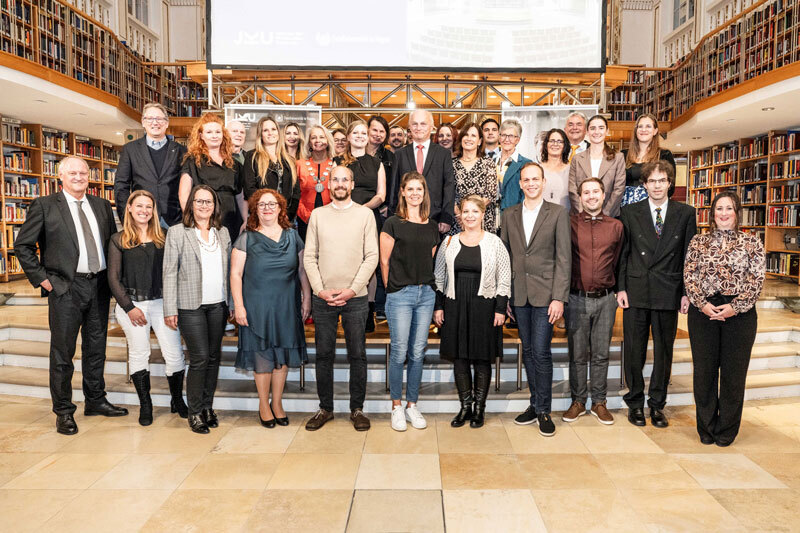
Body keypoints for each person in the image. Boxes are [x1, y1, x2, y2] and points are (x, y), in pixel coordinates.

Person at [15, 156, 128, 435]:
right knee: (63, 353)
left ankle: (96, 400)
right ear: (60, 176)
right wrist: (43, 279)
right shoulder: (44, 205)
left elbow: (112, 245)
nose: (78, 177)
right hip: (65, 287)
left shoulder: (102, 205)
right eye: (72, 173)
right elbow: (23, 246)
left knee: (96, 349)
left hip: (99, 286)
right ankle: (64, 410)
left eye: (83, 172)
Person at [617, 160, 696, 428]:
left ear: (670, 183)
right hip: (637, 288)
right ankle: (636, 402)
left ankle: (657, 405)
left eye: (662, 180)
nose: (657, 185)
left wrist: (686, 292)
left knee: (664, 351)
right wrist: (621, 288)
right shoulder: (629, 212)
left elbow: (689, 256)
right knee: (634, 351)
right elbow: (623, 255)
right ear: (645, 184)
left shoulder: (685, 213)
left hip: (668, 289)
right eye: (652, 181)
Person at [684, 191, 764, 446]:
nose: (724, 213)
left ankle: (726, 430)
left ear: (737, 212)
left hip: (739, 316)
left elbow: (756, 280)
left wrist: (735, 306)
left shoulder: (752, 243)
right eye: (719, 208)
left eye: (729, 208)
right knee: (704, 373)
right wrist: (703, 304)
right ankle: (706, 428)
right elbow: (689, 276)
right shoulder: (698, 241)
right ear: (712, 213)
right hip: (703, 313)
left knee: (733, 375)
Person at [303, 165, 378, 432]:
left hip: (355, 298)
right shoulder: (318, 215)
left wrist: (352, 289)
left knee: (357, 355)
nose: (340, 183)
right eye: (335, 179)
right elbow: (309, 256)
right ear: (329, 183)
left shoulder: (365, 215)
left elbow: (372, 257)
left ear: (352, 184)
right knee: (324, 355)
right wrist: (320, 290)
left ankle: (357, 409)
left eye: (345, 179)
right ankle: (325, 408)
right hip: (323, 298)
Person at [231, 189, 311, 428]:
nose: (267, 208)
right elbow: (235, 274)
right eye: (262, 205)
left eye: (272, 204)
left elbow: (302, 271)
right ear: (255, 209)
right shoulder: (247, 237)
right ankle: (263, 405)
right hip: (257, 305)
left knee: (283, 356)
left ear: (280, 208)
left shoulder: (293, 236)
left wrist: (306, 297)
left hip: (286, 304)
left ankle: (277, 403)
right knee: (262, 356)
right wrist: (239, 306)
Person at [501, 162, 570, 437]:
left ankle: (544, 410)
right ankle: (534, 403)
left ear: (543, 183)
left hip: (546, 296)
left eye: (535, 179)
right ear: (520, 184)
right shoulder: (509, 214)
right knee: (527, 351)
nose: (530, 184)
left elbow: (564, 258)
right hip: (519, 294)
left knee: (541, 352)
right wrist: (505, 295)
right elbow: (504, 257)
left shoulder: (558, 213)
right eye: (526, 180)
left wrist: (559, 298)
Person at [109, 190, 186, 426]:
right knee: (139, 352)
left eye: (148, 207)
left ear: (154, 210)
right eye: (139, 206)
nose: (144, 211)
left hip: (163, 303)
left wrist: (173, 305)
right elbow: (113, 277)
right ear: (129, 208)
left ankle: (177, 400)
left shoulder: (165, 236)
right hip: (131, 304)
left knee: (174, 354)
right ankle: (146, 404)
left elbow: (175, 272)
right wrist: (129, 307)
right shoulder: (118, 239)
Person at [435, 195, 511, 428]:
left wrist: (500, 308)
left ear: (482, 214)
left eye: (474, 212)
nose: (469, 216)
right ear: (460, 215)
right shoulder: (449, 242)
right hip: (455, 304)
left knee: (481, 357)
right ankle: (465, 407)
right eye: (465, 211)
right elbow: (439, 276)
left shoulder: (494, 242)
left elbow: (504, 277)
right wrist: (439, 306)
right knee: (459, 357)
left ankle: (479, 409)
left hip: (484, 305)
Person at [164, 185, 232, 434]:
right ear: (191, 205)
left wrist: (231, 304)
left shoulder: (222, 233)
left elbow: (229, 272)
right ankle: (194, 411)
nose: (204, 206)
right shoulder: (177, 232)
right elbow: (169, 272)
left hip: (218, 305)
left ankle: (207, 407)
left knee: (213, 358)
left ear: (215, 206)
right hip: (190, 305)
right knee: (200, 357)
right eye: (199, 201)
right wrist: (170, 308)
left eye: (209, 202)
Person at [380, 172, 440, 431]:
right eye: (410, 189)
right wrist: (392, 289)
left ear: (424, 193)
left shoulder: (431, 225)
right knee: (399, 351)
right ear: (402, 192)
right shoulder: (392, 223)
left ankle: (412, 405)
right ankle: (396, 406)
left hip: (426, 294)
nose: (415, 193)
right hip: (400, 295)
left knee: (418, 352)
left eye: (419, 189)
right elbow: (384, 261)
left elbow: (431, 260)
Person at [561, 178, 623, 425]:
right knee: (577, 354)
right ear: (579, 197)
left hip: (606, 299)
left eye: (595, 191)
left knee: (600, 354)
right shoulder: (568, 223)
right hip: (575, 298)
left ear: (603, 194)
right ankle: (578, 401)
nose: (591, 196)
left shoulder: (616, 226)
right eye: (586, 192)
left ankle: (599, 402)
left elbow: (619, 261)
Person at [334, 119, 386, 332]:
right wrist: (348, 211)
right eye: (355, 132)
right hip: (341, 218)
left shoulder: (377, 163)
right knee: (346, 262)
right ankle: (345, 309)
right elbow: (333, 189)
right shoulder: (337, 161)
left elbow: (381, 194)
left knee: (370, 264)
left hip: (368, 216)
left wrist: (362, 210)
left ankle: (368, 310)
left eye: (363, 133)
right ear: (348, 136)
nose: (359, 136)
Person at [115, 102, 187, 227]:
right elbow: (121, 186)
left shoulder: (182, 151)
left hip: (174, 220)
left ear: (166, 123)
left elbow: (188, 186)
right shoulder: (130, 150)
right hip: (142, 219)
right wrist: (126, 217)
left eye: (159, 119)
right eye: (150, 119)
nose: (155, 123)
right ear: (143, 122)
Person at [179, 113, 247, 243]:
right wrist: (191, 220)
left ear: (223, 135)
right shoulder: (193, 161)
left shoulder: (235, 164)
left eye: (218, 132)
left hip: (231, 220)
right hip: (203, 219)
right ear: (201, 136)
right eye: (209, 132)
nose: (214, 135)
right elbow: (184, 193)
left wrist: (245, 220)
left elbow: (240, 195)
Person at [390, 109, 455, 234]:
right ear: (409, 127)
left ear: (431, 127)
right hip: (405, 219)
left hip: (435, 219)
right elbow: (395, 186)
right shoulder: (400, 154)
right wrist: (393, 216)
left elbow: (449, 186)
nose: (418, 128)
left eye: (423, 124)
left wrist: (446, 217)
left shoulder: (443, 154)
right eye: (414, 124)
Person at [243, 116, 301, 221]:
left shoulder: (290, 160)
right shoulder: (252, 156)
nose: (270, 133)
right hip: (262, 215)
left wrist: (288, 214)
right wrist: (266, 211)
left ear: (278, 133)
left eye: (273, 129)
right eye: (266, 130)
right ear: (260, 135)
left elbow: (296, 192)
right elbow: (249, 189)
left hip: (285, 217)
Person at [568, 115, 626, 218]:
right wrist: (584, 214)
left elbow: (619, 189)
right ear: (587, 132)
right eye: (592, 128)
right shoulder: (577, 159)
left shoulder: (618, 158)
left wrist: (604, 215)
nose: (596, 132)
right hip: (581, 218)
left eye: (601, 128)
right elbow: (572, 190)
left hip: (609, 217)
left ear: (607, 131)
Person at [449, 122, 498, 234]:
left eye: (473, 135)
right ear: (461, 139)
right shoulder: (451, 164)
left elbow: (490, 194)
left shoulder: (488, 163)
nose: (469, 138)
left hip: (481, 219)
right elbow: (448, 194)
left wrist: (472, 214)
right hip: (458, 221)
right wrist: (460, 215)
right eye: (466, 135)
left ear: (480, 141)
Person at [621, 113, 676, 205]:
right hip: (625, 207)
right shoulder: (623, 154)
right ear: (636, 130)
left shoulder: (664, 155)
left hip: (653, 206)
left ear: (655, 131)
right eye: (640, 126)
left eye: (648, 126)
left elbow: (671, 186)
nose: (643, 130)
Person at [296, 125, 334, 242]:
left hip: (331, 219)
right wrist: (306, 216)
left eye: (322, 137)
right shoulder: (299, 164)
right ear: (309, 143)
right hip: (305, 219)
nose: (318, 141)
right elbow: (295, 195)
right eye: (314, 137)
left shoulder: (336, 164)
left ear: (327, 141)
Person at [540, 128, 571, 211]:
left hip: (565, 218)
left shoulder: (571, 170)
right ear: (546, 144)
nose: (555, 144)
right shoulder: (537, 169)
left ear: (565, 145)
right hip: (541, 218)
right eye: (552, 141)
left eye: (559, 141)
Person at [367, 115, 396, 185]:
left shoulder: (391, 157)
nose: (378, 134)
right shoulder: (356, 153)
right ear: (367, 130)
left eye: (382, 131)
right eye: (374, 130)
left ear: (386, 134)